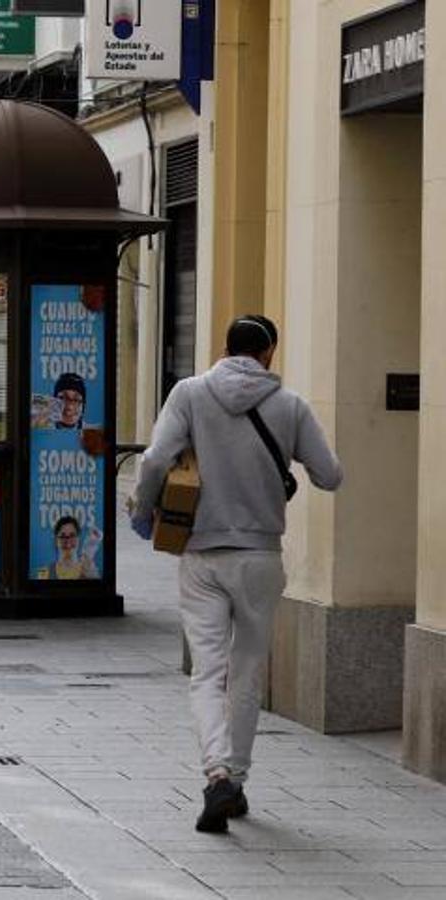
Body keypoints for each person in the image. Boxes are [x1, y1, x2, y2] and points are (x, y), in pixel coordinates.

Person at [129, 314, 342, 834]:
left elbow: (156, 458)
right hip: (260, 557)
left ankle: (216, 772)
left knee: (207, 672)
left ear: (226, 348)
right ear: (269, 353)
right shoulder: (290, 405)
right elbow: (331, 476)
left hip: (201, 554)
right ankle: (236, 782)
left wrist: (143, 509)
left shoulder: (189, 393)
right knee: (246, 672)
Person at [47, 515, 100, 580]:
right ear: (56, 540)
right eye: (63, 536)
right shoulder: (46, 573)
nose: (68, 542)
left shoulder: (90, 571)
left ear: (78, 540)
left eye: (72, 536)